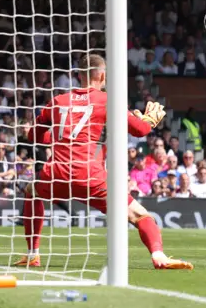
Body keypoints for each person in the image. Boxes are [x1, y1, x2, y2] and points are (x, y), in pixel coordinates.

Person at [15, 54, 193, 270]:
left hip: (56, 174)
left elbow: (34, 137)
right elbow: (140, 130)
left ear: (79, 75)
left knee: (32, 191)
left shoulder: (58, 101)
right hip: (91, 177)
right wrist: (148, 120)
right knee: (140, 216)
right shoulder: (107, 100)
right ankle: (158, 256)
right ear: (101, 75)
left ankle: (33, 254)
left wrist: (51, 137)